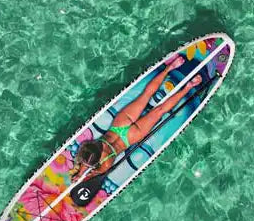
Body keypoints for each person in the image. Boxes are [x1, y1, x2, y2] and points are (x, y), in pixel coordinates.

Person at [71, 55, 214, 184]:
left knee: (160, 110)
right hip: (118, 126)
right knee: (146, 95)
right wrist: (81, 172)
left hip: (130, 138)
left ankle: (189, 85)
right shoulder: (91, 145)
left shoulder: (105, 164)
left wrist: (83, 175)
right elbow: (88, 159)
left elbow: (92, 168)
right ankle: (171, 68)